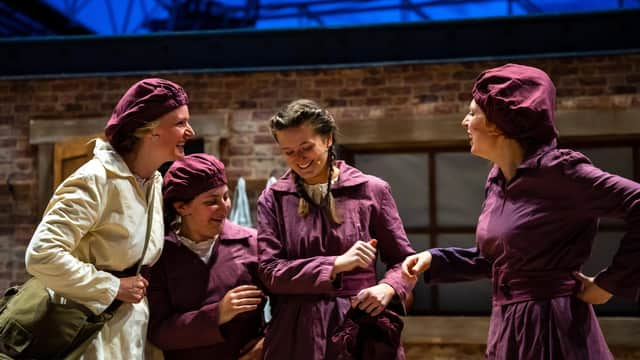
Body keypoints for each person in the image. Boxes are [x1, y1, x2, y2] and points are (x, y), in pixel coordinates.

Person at [402, 63, 640, 359]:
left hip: (553, 326)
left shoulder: (560, 171)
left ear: (499, 122)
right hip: (508, 326)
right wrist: (433, 259)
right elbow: (494, 261)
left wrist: (608, 284)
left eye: (473, 112)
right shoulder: (497, 178)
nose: (464, 121)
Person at [25, 78, 195, 359]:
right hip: (85, 339)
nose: (190, 131)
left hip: (127, 336)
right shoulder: (95, 180)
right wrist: (113, 286)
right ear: (148, 130)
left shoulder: (152, 181)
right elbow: (42, 255)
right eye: (179, 123)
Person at [257, 99, 416, 359]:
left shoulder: (371, 190)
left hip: (358, 326)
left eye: (306, 147)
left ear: (328, 139)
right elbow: (269, 271)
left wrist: (388, 288)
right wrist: (335, 264)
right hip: (295, 332)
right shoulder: (273, 198)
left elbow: (403, 261)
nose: (299, 159)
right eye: (289, 152)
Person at [147, 153, 264, 360]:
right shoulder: (159, 256)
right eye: (212, 201)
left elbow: (289, 308)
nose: (224, 207)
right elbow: (158, 332)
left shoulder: (252, 244)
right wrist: (217, 314)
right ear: (182, 207)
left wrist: (265, 344)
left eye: (226, 197)